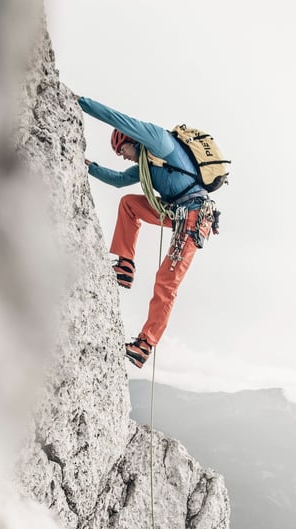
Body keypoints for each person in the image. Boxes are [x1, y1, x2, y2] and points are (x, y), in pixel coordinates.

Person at [78, 96, 219, 369]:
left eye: (121, 149)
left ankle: (145, 344)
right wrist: (88, 167)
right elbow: (119, 181)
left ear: (131, 139)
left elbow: (117, 118)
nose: (121, 155)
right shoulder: (147, 165)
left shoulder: (159, 142)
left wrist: (80, 102)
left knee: (167, 282)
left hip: (194, 215)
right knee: (129, 204)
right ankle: (125, 266)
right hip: (177, 212)